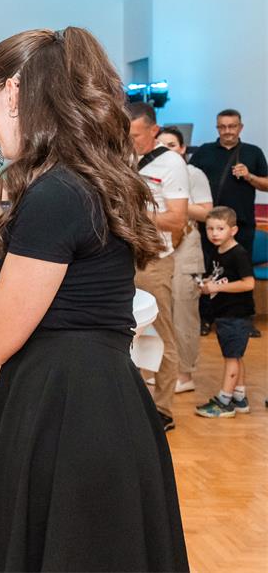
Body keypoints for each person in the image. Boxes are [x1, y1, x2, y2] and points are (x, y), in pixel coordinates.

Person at [0, 27, 187, 571]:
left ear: (13, 93)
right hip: (90, 399)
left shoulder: (56, 193)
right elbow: (47, 278)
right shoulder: (80, 181)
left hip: (68, 413)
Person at [127, 102, 189, 431]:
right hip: (123, 259)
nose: (130, 140)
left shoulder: (172, 163)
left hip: (154, 261)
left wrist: (133, 214)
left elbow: (177, 219)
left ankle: (163, 409)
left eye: (135, 135)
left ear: (154, 131)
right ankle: (132, 405)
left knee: (162, 335)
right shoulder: (123, 157)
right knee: (127, 335)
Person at [189, 109, 267, 337]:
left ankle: (243, 320)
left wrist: (249, 176)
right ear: (217, 128)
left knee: (242, 271)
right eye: (222, 126)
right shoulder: (204, 152)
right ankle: (205, 318)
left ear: (240, 127)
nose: (227, 131)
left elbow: (266, 184)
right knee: (206, 270)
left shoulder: (253, 152)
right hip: (208, 225)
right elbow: (189, 179)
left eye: (232, 126)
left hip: (241, 225)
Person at [157, 126, 213, 393]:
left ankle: (185, 374)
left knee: (184, 311)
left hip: (187, 243)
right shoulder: (152, 170)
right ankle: (164, 371)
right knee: (162, 312)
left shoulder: (194, 173)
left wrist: (175, 202)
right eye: (161, 145)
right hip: (160, 244)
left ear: (181, 148)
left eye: (171, 145)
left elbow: (207, 213)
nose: (166, 149)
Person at [194, 206, 256, 419]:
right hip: (223, 314)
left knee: (231, 358)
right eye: (210, 228)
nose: (214, 233)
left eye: (220, 228)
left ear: (233, 230)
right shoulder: (217, 251)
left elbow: (248, 283)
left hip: (236, 315)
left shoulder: (238, 254)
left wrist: (217, 288)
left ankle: (224, 401)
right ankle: (239, 398)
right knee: (235, 356)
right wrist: (207, 283)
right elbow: (220, 277)